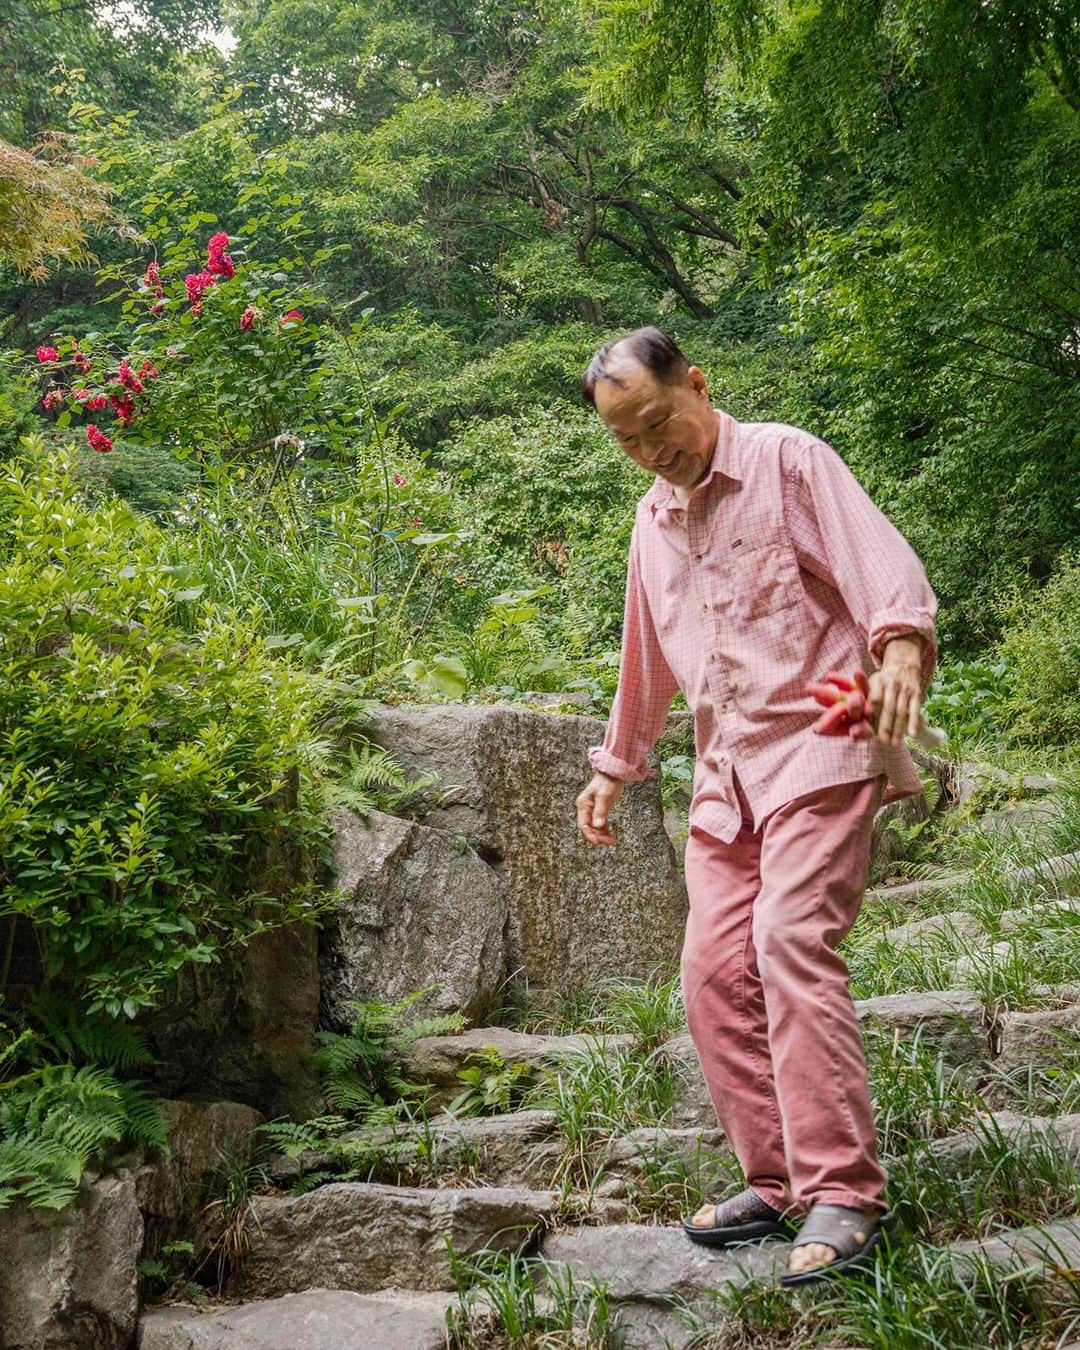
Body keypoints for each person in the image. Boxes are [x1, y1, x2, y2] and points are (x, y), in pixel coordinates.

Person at [574, 327, 938, 1286]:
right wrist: (618, 763)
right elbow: (646, 656)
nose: (653, 450)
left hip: (822, 739)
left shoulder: (788, 461)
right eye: (628, 440)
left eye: (660, 422)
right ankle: (775, 1178)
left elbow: (882, 571)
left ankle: (845, 1192)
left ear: (697, 384)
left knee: (786, 941)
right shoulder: (652, 522)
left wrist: (900, 648)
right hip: (725, 776)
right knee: (708, 969)